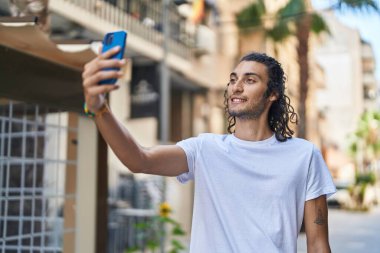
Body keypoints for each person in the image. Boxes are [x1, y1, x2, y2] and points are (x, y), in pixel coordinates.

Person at [82, 47, 336, 253]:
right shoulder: (204, 149)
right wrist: (99, 108)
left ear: (273, 95)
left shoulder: (304, 156)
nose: (236, 87)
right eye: (233, 80)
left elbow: (317, 245)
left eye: (250, 80)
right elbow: (139, 160)